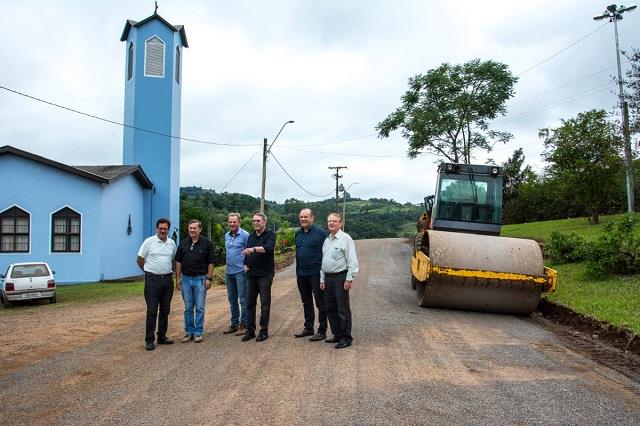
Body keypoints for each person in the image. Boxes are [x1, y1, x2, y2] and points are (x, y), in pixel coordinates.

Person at [136, 218, 177, 351]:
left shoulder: (171, 243)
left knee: (165, 310)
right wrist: (148, 271)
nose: (163, 231)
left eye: (165, 229)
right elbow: (140, 259)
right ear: (156, 228)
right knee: (152, 310)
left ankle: (162, 336)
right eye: (160, 228)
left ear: (168, 229)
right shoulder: (149, 242)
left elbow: (173, 260)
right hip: (152, 280)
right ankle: (149, 339)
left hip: (167, 279)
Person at [320, 213, 359, 349]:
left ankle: (346, 337)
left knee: (342, 308)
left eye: (334, 221)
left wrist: (349, 279)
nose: (331, 223)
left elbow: (352, 261)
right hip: (328, 277)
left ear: (340, 224)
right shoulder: (327, 240)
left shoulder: (345, 239)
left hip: (340, 277)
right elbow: (323, 261)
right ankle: (336, 334)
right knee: (330, 308)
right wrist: (322, 278)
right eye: (329, 221)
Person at [175, 219, 216, 343]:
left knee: (199, 307)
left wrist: (209, 278)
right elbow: (178, 262)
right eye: (190, 228)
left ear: (200, 229)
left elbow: (211, 262)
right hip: (186, 279)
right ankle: (188, 332)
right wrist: (178, 279)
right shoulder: (183, 243)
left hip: (200, 279)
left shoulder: (206, 244)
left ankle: (198, 332)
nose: (192, 230)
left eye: (194, 228)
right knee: (188, 308)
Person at [294, 208, 329, 341]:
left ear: (312, 218)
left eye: (306, 217)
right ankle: (309, 328)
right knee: (306, 302)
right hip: (301, 273)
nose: (303, 219)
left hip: (316, 273)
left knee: (321, 302)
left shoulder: (320, 233)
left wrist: (323, 275)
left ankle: (322, 330)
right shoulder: (298, 234)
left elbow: (327, 252)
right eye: (301, 217)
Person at [241, 212, 276, 342]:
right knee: (250, 303)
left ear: (264, 222)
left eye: (258, 221)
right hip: (250, 274)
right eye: (254, 221)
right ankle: (250, 330)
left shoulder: (270, 235)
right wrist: (245, 264)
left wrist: (254, 249)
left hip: (265, 275)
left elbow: (268, 248)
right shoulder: (251, 236)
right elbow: (247, 252)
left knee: (265, 304)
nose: (255, 223)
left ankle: (263, 331)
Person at [223, 213, 250, 336]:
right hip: (229, 272)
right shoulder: (226, 235)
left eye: (234, 222)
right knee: (232, 299)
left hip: (240, 272)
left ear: (239, 222)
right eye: (230, 222)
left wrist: (247, 265)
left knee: (243, 299)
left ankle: (244, 324)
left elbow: (250, 252)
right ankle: (234, 324)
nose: (232, 224)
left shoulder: (245, 235)